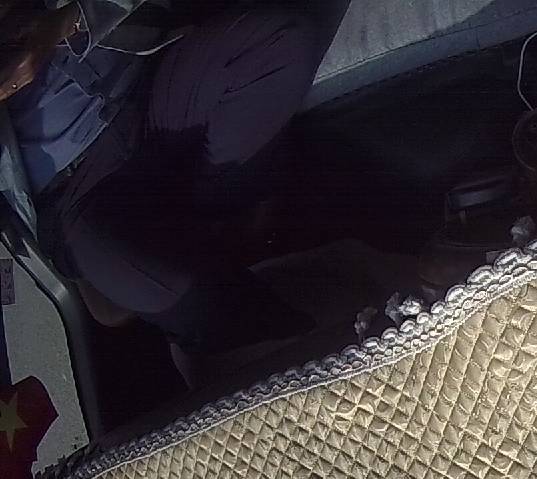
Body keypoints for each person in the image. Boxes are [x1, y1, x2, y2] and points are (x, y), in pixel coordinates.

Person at [0, 0, 325, 356]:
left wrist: (64, 21)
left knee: (283, 40)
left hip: (144, 81)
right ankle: (319, 347)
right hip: (73, 188)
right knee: (188, 299)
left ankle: (222, 219)